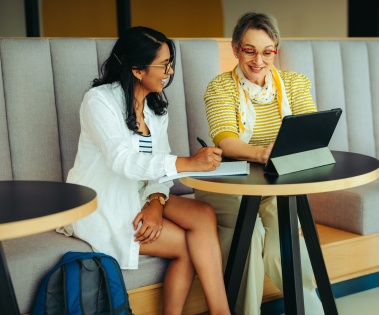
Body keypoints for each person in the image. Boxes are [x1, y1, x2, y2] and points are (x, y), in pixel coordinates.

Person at [57, 26, 230, 315]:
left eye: (170, 63)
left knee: (204, 214)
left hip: (139, 196)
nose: (170, 71)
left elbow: (157, 171)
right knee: (187, 247)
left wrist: (155, 202)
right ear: (138, 69)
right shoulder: (98, 101)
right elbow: (120, 159)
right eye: (164, 64)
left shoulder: (154, 109)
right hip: (103, 203)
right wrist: (186, 162)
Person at [195, 12, 324, 315]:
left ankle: (311, 309)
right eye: (249, 50)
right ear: (236, 48)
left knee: (285, 245)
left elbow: (310, 130)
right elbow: (226, 140)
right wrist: (262, 153)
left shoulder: (294, 83)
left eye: (268, 52)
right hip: (228, 184)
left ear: (276, 50)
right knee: (249, 239)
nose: (258, 60)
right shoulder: (220, 87)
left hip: (274, 185)